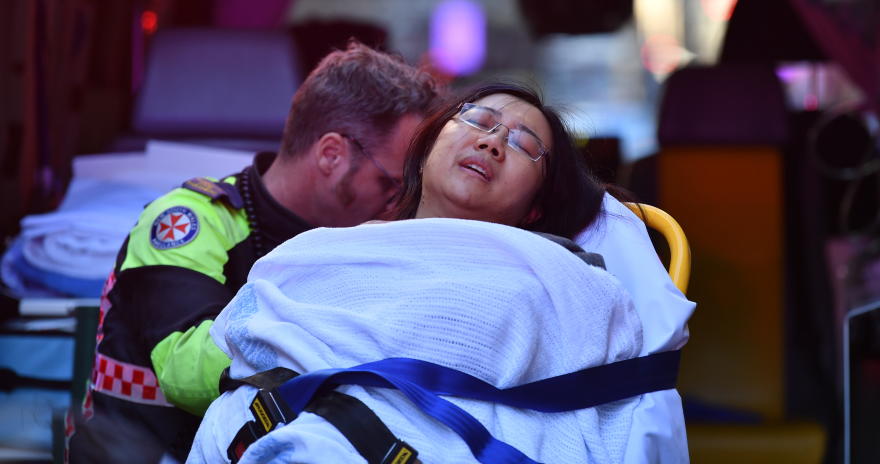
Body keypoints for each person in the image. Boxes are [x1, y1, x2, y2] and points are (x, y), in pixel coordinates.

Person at [187, 83, 667, 463]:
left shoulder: (555, 276)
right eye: (479, 119)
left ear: (536, 209)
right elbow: (247, 342)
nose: (492, 141)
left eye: (524, 144)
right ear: (430, 144)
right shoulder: (321, 250)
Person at [67, 42, 442, 464]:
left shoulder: (360, 244)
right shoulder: (192, 220)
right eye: (390, 183)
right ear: (331, 154)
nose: (398, 204)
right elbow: (186, 369)